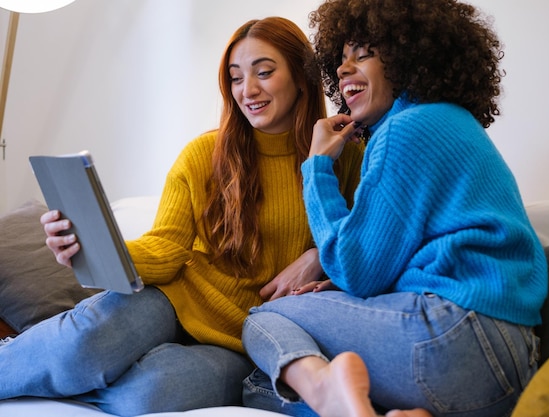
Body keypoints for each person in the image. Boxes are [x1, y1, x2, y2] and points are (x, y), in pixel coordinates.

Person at [0, 16, 363, 416]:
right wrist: (97, 247)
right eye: (236, 77)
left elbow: (361, 250)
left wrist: (317, 258)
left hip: (242, 341)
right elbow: (167, 246)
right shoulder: (203, 155)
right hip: (176, 300)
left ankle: (64, 378)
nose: (248, 90)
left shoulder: (344, 159)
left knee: (148, 396)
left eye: (264, 72)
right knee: (86, 346)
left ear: (300, 78)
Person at [241, 1, 548, 417]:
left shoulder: (406, 129)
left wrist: (316, 168)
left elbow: (357, 270)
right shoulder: (447, 121)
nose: (345, 69)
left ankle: (343, 403)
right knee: (260, 386)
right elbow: (400, 260)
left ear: (408, 60)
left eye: (363, 54)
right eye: (342, 59)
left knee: (264, 319)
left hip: (458, 337)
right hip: (510, 359)